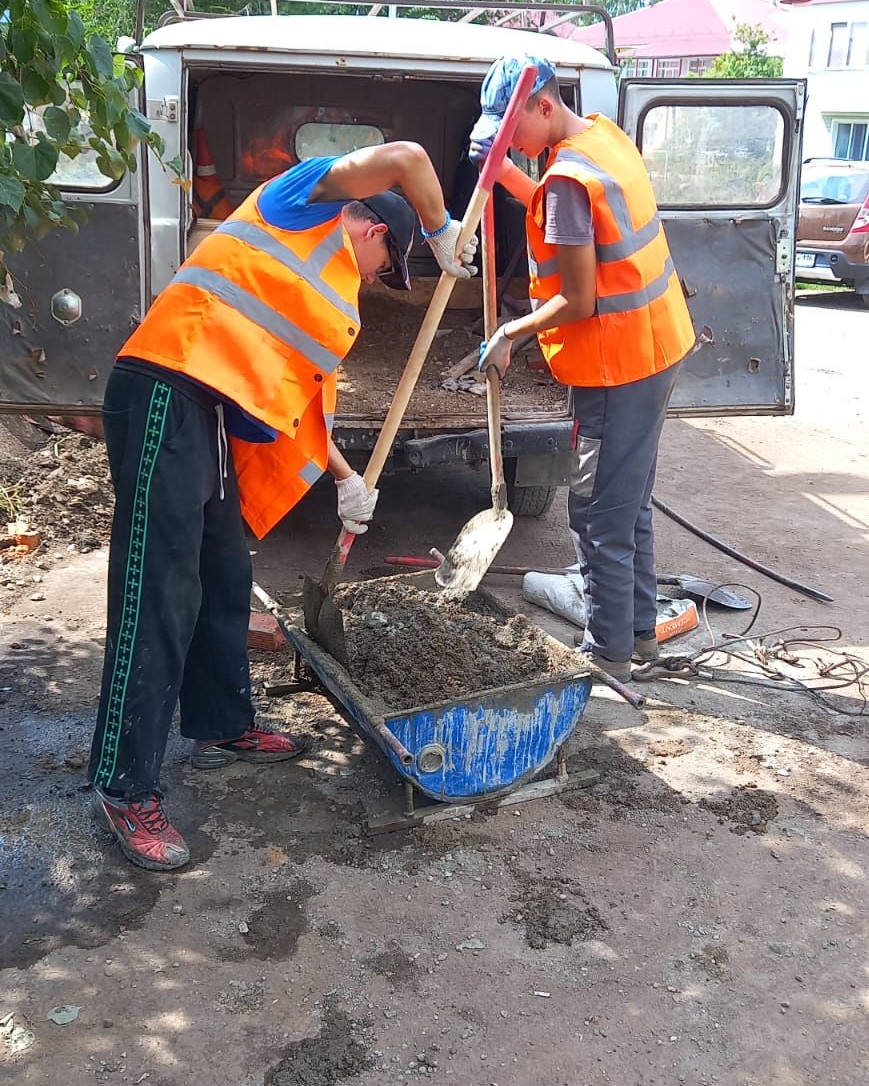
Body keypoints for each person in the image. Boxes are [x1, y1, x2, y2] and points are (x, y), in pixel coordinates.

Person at [90, 140, 474, 871]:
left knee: (225, 575)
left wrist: (345, 478)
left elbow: (301, 401)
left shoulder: (329, 293)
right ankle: (124, 786)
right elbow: (407, 156)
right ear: (371, 228)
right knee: (157, 594)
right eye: (386, 262)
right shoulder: (299, 203)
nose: (379, 278)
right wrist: (441, 227)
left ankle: (223, 726)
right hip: (164, 388)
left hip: (208, 415)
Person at [473, 55, 695, 682]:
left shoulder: (569, 180)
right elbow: (559, 207)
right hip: (656, 344)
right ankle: (640, 635)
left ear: (544, 106)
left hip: (617, 361)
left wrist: (509, 332)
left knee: (597, 510)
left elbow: (580, 299)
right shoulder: (601, 135)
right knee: (630, 502)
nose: (510, 142)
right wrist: (507, 177)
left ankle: (608, 657)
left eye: (513, 128)